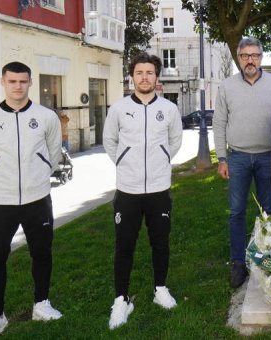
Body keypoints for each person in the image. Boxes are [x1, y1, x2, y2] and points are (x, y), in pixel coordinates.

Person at [0, 61, 63, 340]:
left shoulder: (46, 117)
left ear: (30, 83)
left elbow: (54, 153)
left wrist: (37, 175)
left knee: (42, 253)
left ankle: (41, 304)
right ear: (3, 82)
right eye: (12, 81)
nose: (17, 86)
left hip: (38, 199)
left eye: (23, 81)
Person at [103, 52, 183, 329]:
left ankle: (160, 289)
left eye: (149, 73)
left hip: (159, 188)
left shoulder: (169, 110)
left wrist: (160, 160)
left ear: (156, 77)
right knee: (124, 246)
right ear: (132, 76)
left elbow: (174, 142)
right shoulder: (119, 108)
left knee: (160, 243)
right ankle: (120, 299)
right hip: (128, 190)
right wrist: (127, 163)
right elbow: (110, 141)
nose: (145, 77)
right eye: (139, 73)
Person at [213, 37, 271, 288]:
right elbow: (219, 123)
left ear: (261, 58)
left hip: (268, 156)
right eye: (245, 56)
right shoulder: (226, 86)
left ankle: (269, 257)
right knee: (237, 212)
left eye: (255, 56)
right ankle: (238, 262)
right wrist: (222, 158)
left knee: (269, 210)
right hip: (236, 157)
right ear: (238, 58)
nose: (250, 60)